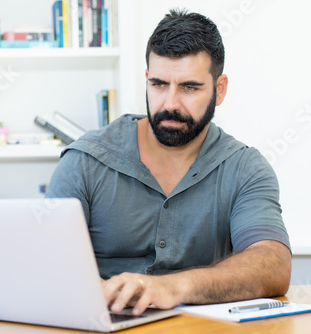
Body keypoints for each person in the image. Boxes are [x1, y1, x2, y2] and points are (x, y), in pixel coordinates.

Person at [46, 9, 292, 316]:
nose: (170, 104)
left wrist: (174, 287)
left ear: (219, 89)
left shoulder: (245, 168)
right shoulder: (84, 161)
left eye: (189, 87)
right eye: (159, 85)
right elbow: (48, 260)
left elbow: (272, 264)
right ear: (147, 79)